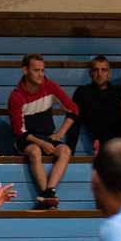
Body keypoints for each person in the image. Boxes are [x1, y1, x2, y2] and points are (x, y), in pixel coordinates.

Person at [7, 53, 79, 210]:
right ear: (25, 70)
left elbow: (73, 110)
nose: (41, 74)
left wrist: (59, 134)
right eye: (36, 70)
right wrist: (41, 143)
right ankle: (46, 195)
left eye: (42, 70)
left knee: (65, 150)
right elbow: (19, 130)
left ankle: (49, 192)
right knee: (35, 151)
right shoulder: (16, 96)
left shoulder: (50, 86)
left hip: (47, 136)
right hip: (27, 139)